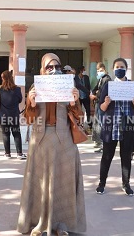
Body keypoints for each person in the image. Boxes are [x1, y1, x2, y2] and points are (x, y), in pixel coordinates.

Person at [17, 53, 86, 236]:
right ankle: (38, 223)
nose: (54, 70)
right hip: (40, 141)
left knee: (63, 184)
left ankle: (62, 224)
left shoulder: (68, 86)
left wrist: (74, 101)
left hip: (65, 142)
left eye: (57, 66)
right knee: (40, 184)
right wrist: (31, 101)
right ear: (42, 69)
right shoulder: (35, 87)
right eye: (49, 67)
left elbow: (80, 117)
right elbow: (28, 119)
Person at [96, 57, 134, 196]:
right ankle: (101, 184)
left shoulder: (133, 86)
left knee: (126, 156)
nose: (119, 69)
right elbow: (102, 108)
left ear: (126, 68)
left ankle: (126, 184)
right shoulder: (108, 86)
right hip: (111, 125)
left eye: (121, 67)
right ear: (113, 69)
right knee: (107, 156)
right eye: (116, 67)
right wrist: (106, 102)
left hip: (128, 126)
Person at [0, 70, 26, 160]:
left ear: (3, 78)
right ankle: (19, 153)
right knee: (16, 133)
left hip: (3, 115)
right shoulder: (17, 89)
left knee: (5, 134)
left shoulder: (0, 89)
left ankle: (7, 153)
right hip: (14, 115)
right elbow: (20, 100)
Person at [91, 62, 112, 152]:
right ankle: (99, 142)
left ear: (105, 70)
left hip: (103, 104)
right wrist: (94, 93)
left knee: (102, 124)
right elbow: (95, 89)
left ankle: (103, 145)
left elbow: (103, 92)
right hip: (98, 103)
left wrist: (96, 95)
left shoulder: (107, 79)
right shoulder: (100, 79)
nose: (99, 72)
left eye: (101, 70)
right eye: (98, 70)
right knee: (98, 123)